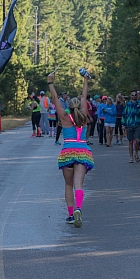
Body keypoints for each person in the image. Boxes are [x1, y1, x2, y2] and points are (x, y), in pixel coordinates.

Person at [48, 71, 93, 228]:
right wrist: (85, 81)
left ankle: (70, 214)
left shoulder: (64, 117)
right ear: (80, 107)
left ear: (69, 107)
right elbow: (84, 98)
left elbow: (55, 100)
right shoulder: (84, 116)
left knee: (68, 185)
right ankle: (79, 209)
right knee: (78, 185)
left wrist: (50, 83)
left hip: (67, 152)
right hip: (82, 152)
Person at [123, 90, 140, 162]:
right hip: (129, 124)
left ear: (137, 96)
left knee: (137, 140)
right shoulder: (128, 104)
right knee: (130, 141)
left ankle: (136, 153)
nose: (134, 96)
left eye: (135, 95)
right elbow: (124, 114)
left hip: (138, 124)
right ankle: (131, 157)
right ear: (130, 96)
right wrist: (123, 124)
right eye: (132, 95)